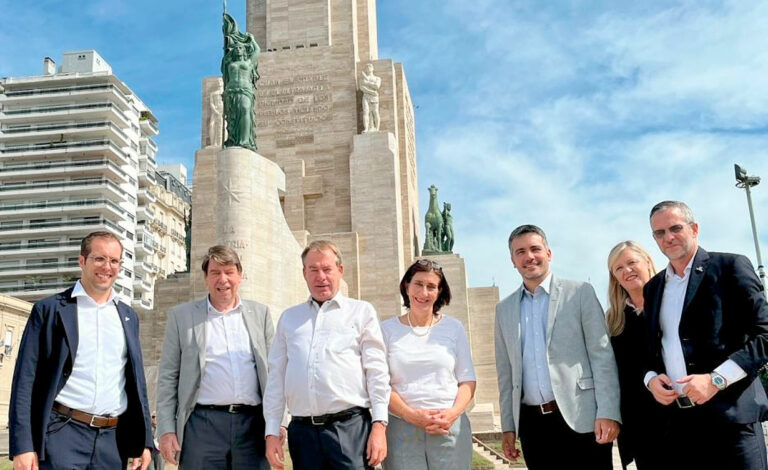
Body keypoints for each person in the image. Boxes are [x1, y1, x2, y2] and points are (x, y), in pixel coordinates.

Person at [9, 231, 153, 470]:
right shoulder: (50, 310)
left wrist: (144, 441)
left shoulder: (128, 316)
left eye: (114, 261)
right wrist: (22, 445)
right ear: (82, 261)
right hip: (62, 435)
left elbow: (137, 384)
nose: (107, 267)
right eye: (99, 259)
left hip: (112, 442)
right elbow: (25, 381)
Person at [643, 200, 768, 469]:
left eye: (675, 228)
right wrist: (650, 379)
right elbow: (650, 349)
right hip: (680, 425)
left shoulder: (730, 267)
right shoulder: (652, 288)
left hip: (733, 420)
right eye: (660, 233)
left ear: (694, 228)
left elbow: (765, 334)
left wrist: (716, 380)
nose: (669, 237)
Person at [495, 224, 620, 470]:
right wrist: (509, 427)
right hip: (533, 427)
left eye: (535, 249)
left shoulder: (580, 292)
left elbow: (602, 355)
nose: (529, 256)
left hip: (581, 418)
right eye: (520, 252)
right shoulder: (503, 309)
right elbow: (505, 373)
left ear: (548, 254)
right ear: (513, 260)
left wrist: (608, 411)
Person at [263, 240, 390, 470]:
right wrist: (272, 431)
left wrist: (380, 425)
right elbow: (276, 379)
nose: (320, 276)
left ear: (340, 270)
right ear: (304, 274)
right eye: (313, 270)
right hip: (303, 434)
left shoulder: (361, 312)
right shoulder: (289, 319)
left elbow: (377, 372)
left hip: (350, 431)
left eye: (327, 269)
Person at [156, 245, 278, 469]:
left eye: (229, 272)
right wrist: (166, 429)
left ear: (240, 275)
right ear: (206, 277)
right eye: (215, 273)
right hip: (202, 426)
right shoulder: (181, 317)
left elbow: (275, 374)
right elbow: (167, 378)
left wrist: (278, 424)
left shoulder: (260, 314)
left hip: (252, 427)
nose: (223, 280)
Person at [381, 259, 476, 470]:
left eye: (431, 286)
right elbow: (380, 384)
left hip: (448, 426)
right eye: (418, 284)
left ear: (439, 291)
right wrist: (411, 415)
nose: (423, 292)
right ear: (406, 286)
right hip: (401, 428)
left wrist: (452, 414)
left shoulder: (454, 328)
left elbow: (468, 380)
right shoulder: (386, 330)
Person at [606, 241, 660, 469]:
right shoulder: (613, 320)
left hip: (678, 418)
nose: (626, 271)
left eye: (631, 262)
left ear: (647, 262)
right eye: (618, 268)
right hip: (639, 424)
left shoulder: (671, 303)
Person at [360, 63, 381, 132]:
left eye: (370, 67)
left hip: (374, 97)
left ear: (372, 68)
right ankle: (366, 128)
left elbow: (377, 86)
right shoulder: (363, 79)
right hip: (366, 96)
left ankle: (377, 128)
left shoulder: (377, 78)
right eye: (366, 67)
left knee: (375, 112)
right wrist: (371, 91)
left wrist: (367, 83)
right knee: (366, 112)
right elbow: (362, 88)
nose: (368, 68)